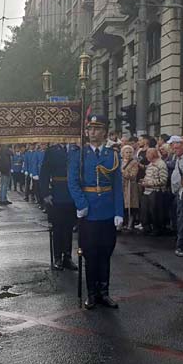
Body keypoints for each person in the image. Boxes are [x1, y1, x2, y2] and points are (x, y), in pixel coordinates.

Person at [69, 115, 124, 309]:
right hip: (89, 212)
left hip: (107, 211)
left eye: (97, 129)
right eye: (90, 129)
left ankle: (104, 292)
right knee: (90, 253)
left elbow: (118, 185)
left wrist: (119, 212)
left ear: (104, 132)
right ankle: (91, 293)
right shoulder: (79, 154)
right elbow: (73, 182)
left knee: (106, 252)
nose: (92, 132)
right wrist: (81, 204)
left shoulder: (113, 155)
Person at [39, 142, 78, 270]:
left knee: (69, 227)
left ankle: (67, 256)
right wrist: (45, 193)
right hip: (57, 193)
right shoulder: (51, 150)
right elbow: (44, 173)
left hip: (73, 193)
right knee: (58, 227)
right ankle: (57, 257)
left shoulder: (76, 149)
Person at [140, 148, 169, 236]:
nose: (146, 156)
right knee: (145, 210)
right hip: (147, 191)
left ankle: (157, 229)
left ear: (153, 154)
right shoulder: (150, 164)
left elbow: (163, 180)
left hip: (156, 191)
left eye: (148, 154)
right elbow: (147, 175)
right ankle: (147, 228)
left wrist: (150, 183)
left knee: (155, 211)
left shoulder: (161, 164)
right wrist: (144, 181)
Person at [120, 145, 142, 231]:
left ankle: (130, 223)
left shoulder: (134, 163)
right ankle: (122, 223)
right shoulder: (120, 162)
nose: (128, 154)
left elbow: (133, 176)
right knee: (122, 205)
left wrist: (123, 172)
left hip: (130, 187)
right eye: (126, 152)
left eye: (130, 152)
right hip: (121, 186)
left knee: (131, 205)